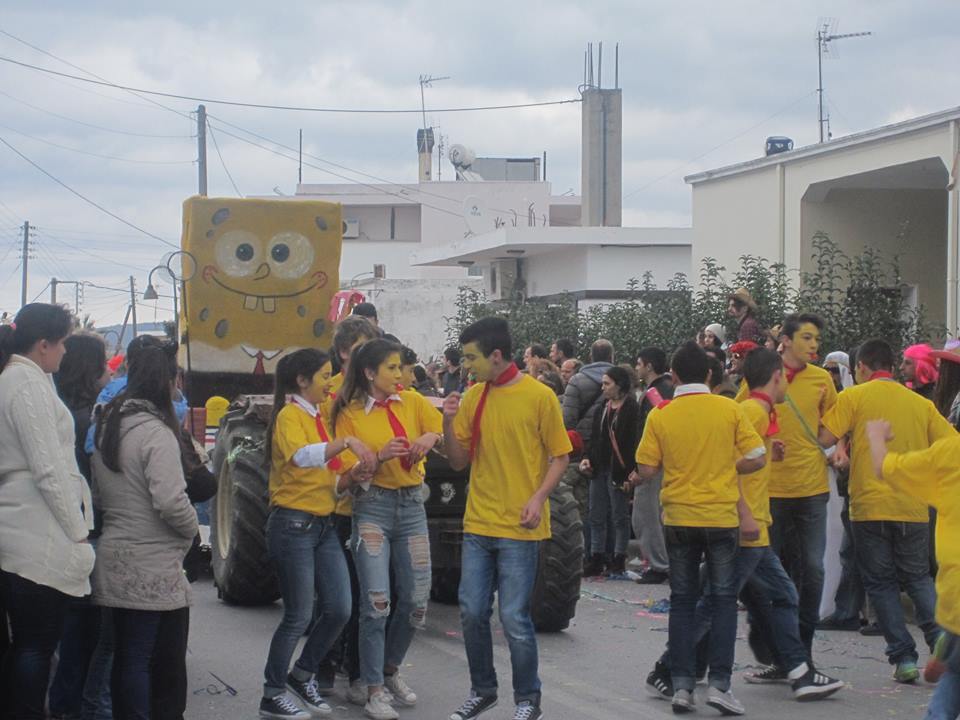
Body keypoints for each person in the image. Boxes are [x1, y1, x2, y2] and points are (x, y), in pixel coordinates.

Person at [645, 348, 844, 706]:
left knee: (758, 597)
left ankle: (795, 671)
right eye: (785, 377)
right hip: (741, 525)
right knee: (718, 602)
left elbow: (740, 460)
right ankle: (674, 670)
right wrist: (747, 515)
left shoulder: (753, 412)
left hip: (745, 524)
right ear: (776, 377)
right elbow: (726, 464)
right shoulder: (749, 411)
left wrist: (769, 455)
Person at [442, 317, 571, 720]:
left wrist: (538, 498)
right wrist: (447, 421)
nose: (466, 366)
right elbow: (458, 461)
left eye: (471, 358)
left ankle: (527, 699)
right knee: (471, 611)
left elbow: (560, 456)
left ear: (496, 356)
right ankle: (483, 690)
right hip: (478, 524)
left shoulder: (539, 396)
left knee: (514, 617)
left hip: (519, 528)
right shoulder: (473, 397)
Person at [630, 341, 766, 715]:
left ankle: (682, 686)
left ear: (673, 376)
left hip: (679, 518)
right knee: (723, 601)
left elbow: (646, 470)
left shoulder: (662, 414)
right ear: (709, 375)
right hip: (721, 518)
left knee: (683, 602)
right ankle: (720, 685)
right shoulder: (729, 409)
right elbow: (757, 457)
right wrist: (727, 466)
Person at [819, 338, 953, 683]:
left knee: (881, 583)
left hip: (869, 506)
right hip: (913, 506)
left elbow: (823, 437)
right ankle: (939, 637)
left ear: (862, 367)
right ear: (892, 367)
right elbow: (949, 443)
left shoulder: (853, 397)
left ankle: (903, 658)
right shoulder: (920, 404)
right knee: (918, 577)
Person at [333, 339, 443, 720]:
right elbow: (344, 478)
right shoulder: (348, 414)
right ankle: (374, 691)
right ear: (369, 373)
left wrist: (430, 438)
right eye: (392, 368)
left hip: (412, 506)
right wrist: (378, 457)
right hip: (372, 507)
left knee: (416, 601)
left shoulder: (413, 402)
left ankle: (389, 670)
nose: (400, 374)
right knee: (377, 603)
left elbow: (437, 430)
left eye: (401, 367)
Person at [259, 349, 371, 719]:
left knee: (340, 608)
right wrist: (347, 443)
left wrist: (352, 477)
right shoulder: (289, 415)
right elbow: (302, 457)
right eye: (324, 376)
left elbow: (330, 481)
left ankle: (301, 674)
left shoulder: (319, 418)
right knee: (298, 615)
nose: (329, 383)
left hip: (321, 525)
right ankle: (272, 693)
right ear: (302, 380)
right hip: (293, 526)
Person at [91, 341, 198, 720]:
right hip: (154, 563)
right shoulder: (156, 432)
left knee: (127, 657)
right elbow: (171, 501)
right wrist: (192, 529)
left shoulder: (107, 423)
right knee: (157, 664)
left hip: (115, 554)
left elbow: (99, 496)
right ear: (167, 381)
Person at [0, 304, 95, 720]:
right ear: (43, 345)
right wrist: (77, 532)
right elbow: (48, 468)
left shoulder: (23, 378)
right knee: (36, 645)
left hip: (22, 524)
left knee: (28, 645)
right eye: (62, 343)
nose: (65, 352)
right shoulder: (26, 384)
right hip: (36, 532)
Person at [737, 313, 837, 665]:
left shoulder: (822, 379)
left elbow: (835, 422)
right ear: (786, 340)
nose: (813, 345)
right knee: (763, 571)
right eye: (807, 337)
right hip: (770, 491)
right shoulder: (763, 376)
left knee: (813, 569)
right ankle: (767, 639)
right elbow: (739, 420)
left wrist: (836, 446)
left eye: (817, 339)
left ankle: (801, 651)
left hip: (811, 487)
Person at [865, 420, 960, 719]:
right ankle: (944, 651)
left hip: (956, 595)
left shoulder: (950, 453)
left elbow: (884, 467)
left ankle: (939, 652)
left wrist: (876, 435)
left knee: (953, 674)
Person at [317, 314, 378, 704]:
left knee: (369, 596)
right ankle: (322, 668)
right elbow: (324, 447)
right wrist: (350, 474)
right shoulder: (330, 395)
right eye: (359, 350)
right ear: (342, 352)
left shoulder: (381, 392)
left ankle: (359, 672)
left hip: (374, 508)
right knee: (337, 596)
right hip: (339, 506)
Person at [48, 333, 110, 720]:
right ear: (92, 368)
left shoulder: (56, 410)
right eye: (104, 363)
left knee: (66, 630)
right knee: (90, 634)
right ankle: (76, 706)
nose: (109, 371)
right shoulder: (90, 420)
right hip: (89, 529)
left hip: (59, 530)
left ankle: (63, 704)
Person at [579, 366, 639, 576]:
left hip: (619, 470)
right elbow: (595, 438)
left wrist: (632, 471)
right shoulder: (602, 408)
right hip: (600, 467)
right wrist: (587, 458)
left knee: (619, 515)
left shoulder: (632, 409)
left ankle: (619, 556)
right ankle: (596, 556)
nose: (602, 387)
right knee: (596, 513)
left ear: (619, 385)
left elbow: (633, 442)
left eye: (607, 383)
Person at [632, 347, 673, 584]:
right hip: (667, 461)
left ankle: (659, 564)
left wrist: (643, 466)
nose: (636, 368)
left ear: (649, 366)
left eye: (639, 363)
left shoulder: (654, 393)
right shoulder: (669, 388)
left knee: (646, 516)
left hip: (654, 463)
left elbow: (654, 429)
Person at [561, 339, 614, 449]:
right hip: (613, 440)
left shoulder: (576, 380)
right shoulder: (621, 380)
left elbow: (568, 418)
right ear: (611, 357)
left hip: (583, 440)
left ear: (591, 356)